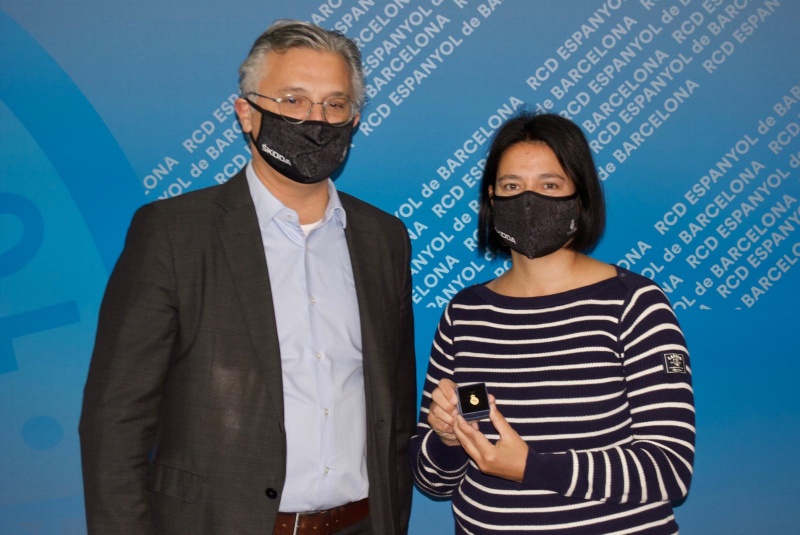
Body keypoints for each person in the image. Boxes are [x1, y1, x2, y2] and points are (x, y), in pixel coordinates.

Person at [79, 20, 416, 535]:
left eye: (335, 104)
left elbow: (394, 414)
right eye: (293, 100)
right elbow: (115, 420)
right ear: (245, 113)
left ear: (354, 119)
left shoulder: (383, 238)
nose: (316, 120)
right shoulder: (173, 233)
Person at [409, 112, 695, 534]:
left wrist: (530, 466)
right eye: (512, 186)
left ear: (580, 196)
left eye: (549, 185)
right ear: (491, 198)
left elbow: (668, 470)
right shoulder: (465, 313)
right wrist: (448, 438)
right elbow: (432, 481)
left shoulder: (633, 303)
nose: (528, 201)